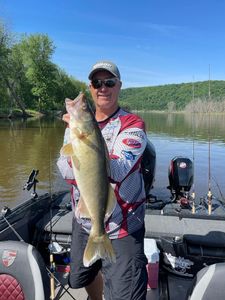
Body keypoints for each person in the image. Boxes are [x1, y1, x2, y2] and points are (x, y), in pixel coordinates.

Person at [57, 60, 148, 300]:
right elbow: (65, 170)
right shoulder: (76, 127)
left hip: (122, 226)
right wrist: (78, 134)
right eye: (97, 83)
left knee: (124, 294)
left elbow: (117, 171)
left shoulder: (133, 125)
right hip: (84, 221)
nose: (102, 88)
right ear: (90, 87)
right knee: (81, 278)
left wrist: (87, 141)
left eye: (109, 82)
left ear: (119, 86)